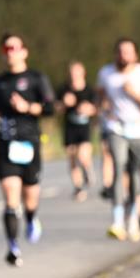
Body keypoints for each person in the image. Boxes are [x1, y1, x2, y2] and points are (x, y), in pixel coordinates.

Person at [0, 34, 55, 267]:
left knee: (30, 196)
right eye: (6, 49)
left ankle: (32, 218)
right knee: (11, 197)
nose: (10, 52)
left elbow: (50, 108)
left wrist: (28, 107)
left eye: (14, 48)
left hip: (29, 142)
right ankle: (13, 247)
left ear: (24, 51)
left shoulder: (36, 79)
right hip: (6, 144)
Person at [96, 38, 140, 242]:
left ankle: (133, 218)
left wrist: (134, 94)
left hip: (139, 131)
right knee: (117, 165)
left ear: (135, 55)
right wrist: (105, 110)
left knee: (134, 173)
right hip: (116, 128)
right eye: (120, 52)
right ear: (115, 53)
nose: (123, 56)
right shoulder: (106, 73)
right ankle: (117, 221)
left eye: (128, 52)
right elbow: (99, 99)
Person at [56, 61, 96, 201]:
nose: (74, 75)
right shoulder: (64, 89)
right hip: (69, 127)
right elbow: (56, 108)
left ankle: (87, 170)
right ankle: (78, 188)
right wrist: (64, 104)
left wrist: (88, 109)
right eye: (72, 73)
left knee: (83, 155)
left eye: (77, 72)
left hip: (84, 127)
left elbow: (96, 109)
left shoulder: (89, 90)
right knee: (72, 158)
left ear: (83, 73)